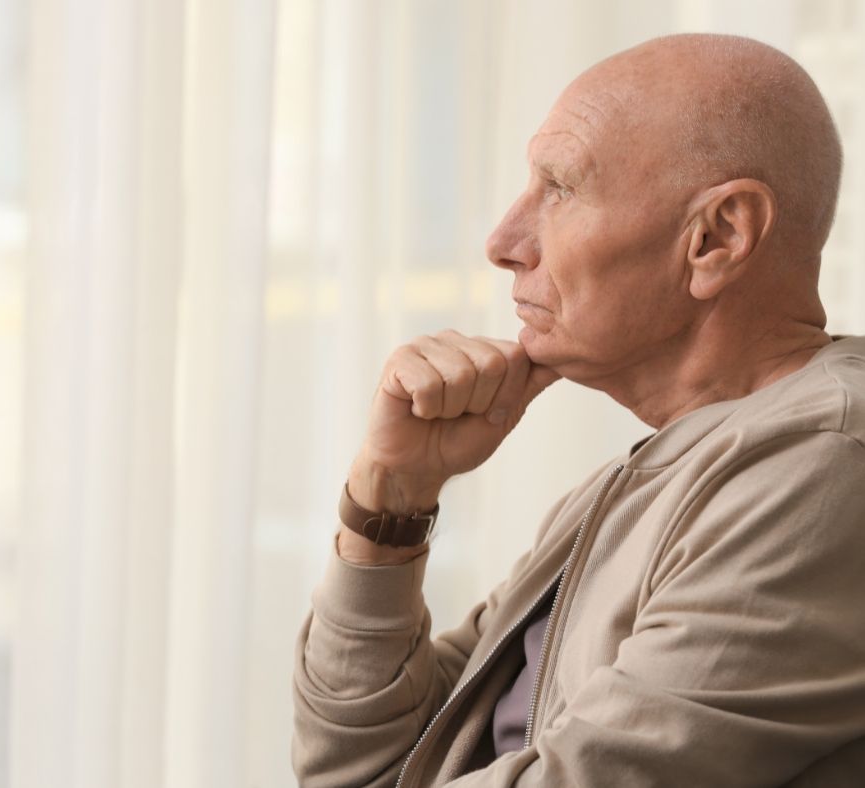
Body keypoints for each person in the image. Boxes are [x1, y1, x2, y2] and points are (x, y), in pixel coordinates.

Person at [291, 33, 865, 787]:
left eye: (558, 188)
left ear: (718, 237)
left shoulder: (820, 465)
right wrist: (387, 507)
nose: (503, 242)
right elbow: (357, 768)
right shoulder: (638, 483)